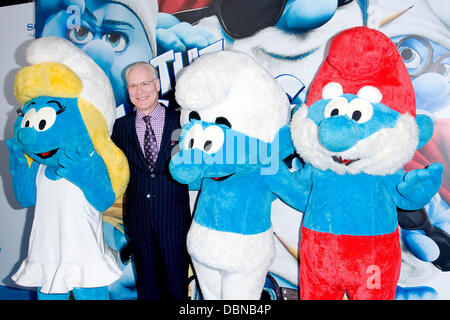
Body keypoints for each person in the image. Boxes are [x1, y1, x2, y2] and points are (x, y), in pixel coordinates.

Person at [111, 62, 191, 300]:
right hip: (138, 220)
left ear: (157, 85)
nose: (140, 91)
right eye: (133, 86)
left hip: (173, 218)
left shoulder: (181, 122)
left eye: (145, 83)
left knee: (177, 287)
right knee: (147, 288)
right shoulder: (121, 127)